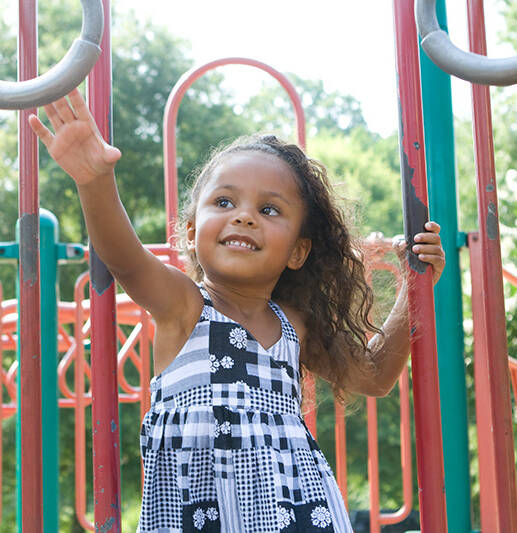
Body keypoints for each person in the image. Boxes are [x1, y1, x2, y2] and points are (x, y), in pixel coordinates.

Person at [29, 89, 445, 533]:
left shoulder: (293, 326)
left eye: (269, 209)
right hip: (203, 515)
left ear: (298, 251)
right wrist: (94, 180)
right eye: (224, 202)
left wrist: (416, 288)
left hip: (298, 515)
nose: (244, 217)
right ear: (191, 232)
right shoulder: (185, 306)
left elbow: (374, 374)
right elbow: (125, 258)